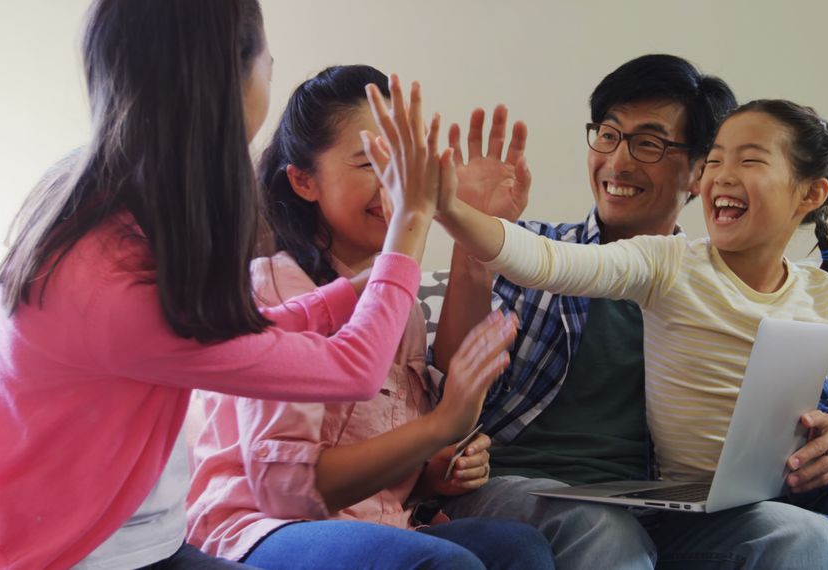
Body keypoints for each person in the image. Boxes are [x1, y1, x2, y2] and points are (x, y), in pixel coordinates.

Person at [415, 93, 828, 568]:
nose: (722, 175)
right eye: (717, 160)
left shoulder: (826, 299)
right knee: (799, 537)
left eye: (750, 160)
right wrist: (451, 208)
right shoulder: (665, 263)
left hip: (749, 499)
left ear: (808, 195)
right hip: (625, 498)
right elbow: (544, 262)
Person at [0, 1, 445, 568]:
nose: (272, 67)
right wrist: (410, 226)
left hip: (144, 545)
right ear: (226, 80)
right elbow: (353, 370)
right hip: (61, 556)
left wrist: (351, 291)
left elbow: (216, 334)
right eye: (266, 56)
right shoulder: (110, 276)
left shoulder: (109, 204)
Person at [429, 54, 828, 569]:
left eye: (648, 143)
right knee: (602, 529)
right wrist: (471, 239)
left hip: (666, 503)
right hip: (518, 487)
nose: (618, 162)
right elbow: (451, 376)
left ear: (700, 171)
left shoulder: (719, 285)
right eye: (608, 135)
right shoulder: (533, 252)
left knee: (801, 535)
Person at [186, 65, 554, 570]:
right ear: (303, 180)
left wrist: (430, 473)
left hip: (379, 524)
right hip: (264, 529)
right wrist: (439, 426)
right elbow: (286, 494)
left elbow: (405, 436)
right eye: (370, 163)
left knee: (521, 549)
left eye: (404, 162)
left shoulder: (394, 293)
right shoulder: (275, 285)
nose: (398, 184)